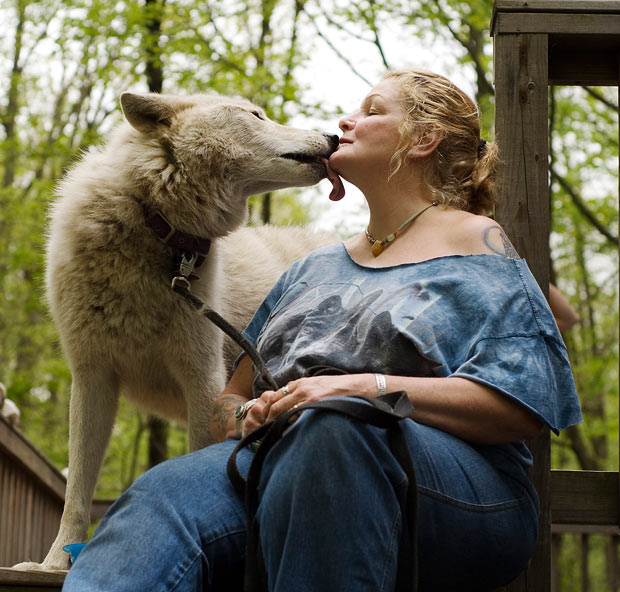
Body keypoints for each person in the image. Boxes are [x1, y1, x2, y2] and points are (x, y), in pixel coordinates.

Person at [63, 68, 582, 592]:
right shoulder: (309, 268)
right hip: (282, 466)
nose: (346, 121)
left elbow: (520, 406)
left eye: (373, 110)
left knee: (335, 429)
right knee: (160, 493)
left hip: (456, 494)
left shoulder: (476, 244)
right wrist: (251, 414)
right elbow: (227, 403)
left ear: (424, 140)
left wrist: (360, 389)